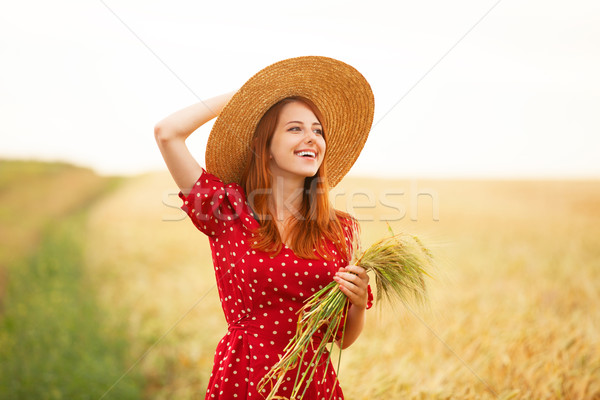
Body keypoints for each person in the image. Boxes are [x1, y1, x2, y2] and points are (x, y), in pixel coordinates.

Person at [154, 56, 375, 399]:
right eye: (295, 128)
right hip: (244, 379)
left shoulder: (340, 228)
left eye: (318, 130)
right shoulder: (226, 211)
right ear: (265, 146)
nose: (311, 138)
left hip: (313, 384)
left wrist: (358, 303)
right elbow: (168, 132)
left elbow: (340, 337)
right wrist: (246, 98)